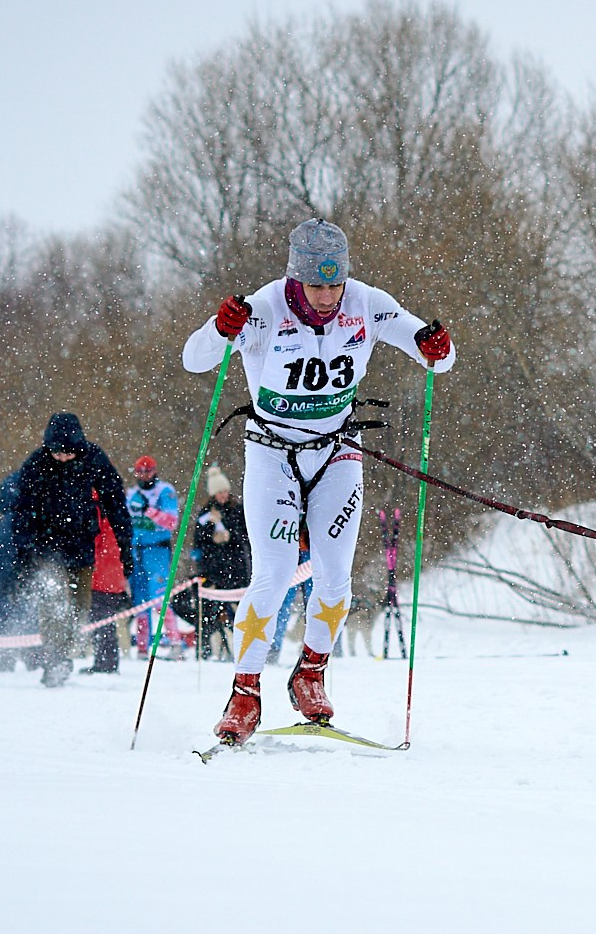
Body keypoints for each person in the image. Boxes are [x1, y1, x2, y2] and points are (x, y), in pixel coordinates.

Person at [182, 218, 453, 743]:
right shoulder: (264, 309)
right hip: (272, 453)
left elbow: (436, 360)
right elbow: (194, 360)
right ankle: (244, 692)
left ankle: (310, 672)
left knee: (335, 575)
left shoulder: (367, 303)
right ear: (295, 277)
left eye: (335, 284)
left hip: (337, 451)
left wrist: (437, 347)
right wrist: (221, 328)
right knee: (274, 571)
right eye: (316, 285)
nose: (328, 297)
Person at [5, 412, 134, 687]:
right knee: (52, 602)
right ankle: (55, 659)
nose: (62, 458)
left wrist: (125, 546)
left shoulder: (93, 458)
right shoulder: (36, 464)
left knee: (78, 608)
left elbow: (116, 503)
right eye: (57, 453)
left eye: (68, 453)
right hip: (45, 548)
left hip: (80, 546)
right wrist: (23, 551)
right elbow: (22, 511)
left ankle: (63, 653)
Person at [191, 466, 251, 662]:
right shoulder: (206, 513)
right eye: (219, 492)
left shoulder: (237, 510)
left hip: (236, 568)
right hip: (214, 570)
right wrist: (211, 531)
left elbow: (245, 534)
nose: (223, 495)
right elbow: (198, 540)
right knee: (210, 611)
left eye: (225, 491)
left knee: (238, 611)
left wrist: (230, 535)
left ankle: (242, 648)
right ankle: (209, 648)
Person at [125, 456, 182, 657]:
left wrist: (148, 510)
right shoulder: (132, 494)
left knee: (159, 599)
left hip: (157, 551)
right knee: (140, 602)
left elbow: (171, 522)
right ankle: (142, 647)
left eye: (147, 471)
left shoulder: (164, 491)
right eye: (140, 472)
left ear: (154, 471)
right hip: (136, 551)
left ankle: (175, 643)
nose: (144, 475)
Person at [0, 471, 31, 672]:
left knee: (5, 611)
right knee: (25, 609)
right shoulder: (24, 519)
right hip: (18, 570)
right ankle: (29, 654)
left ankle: (6, 654)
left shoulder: (5, 520)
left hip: (4, 570)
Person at [85, 504, 131, 674]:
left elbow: (94, 540)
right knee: (105, 622)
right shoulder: (109, 509)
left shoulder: (95, 508)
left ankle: (106, 663)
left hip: (102, 573)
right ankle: (105, 661)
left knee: (101, 621)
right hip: (111, 572)